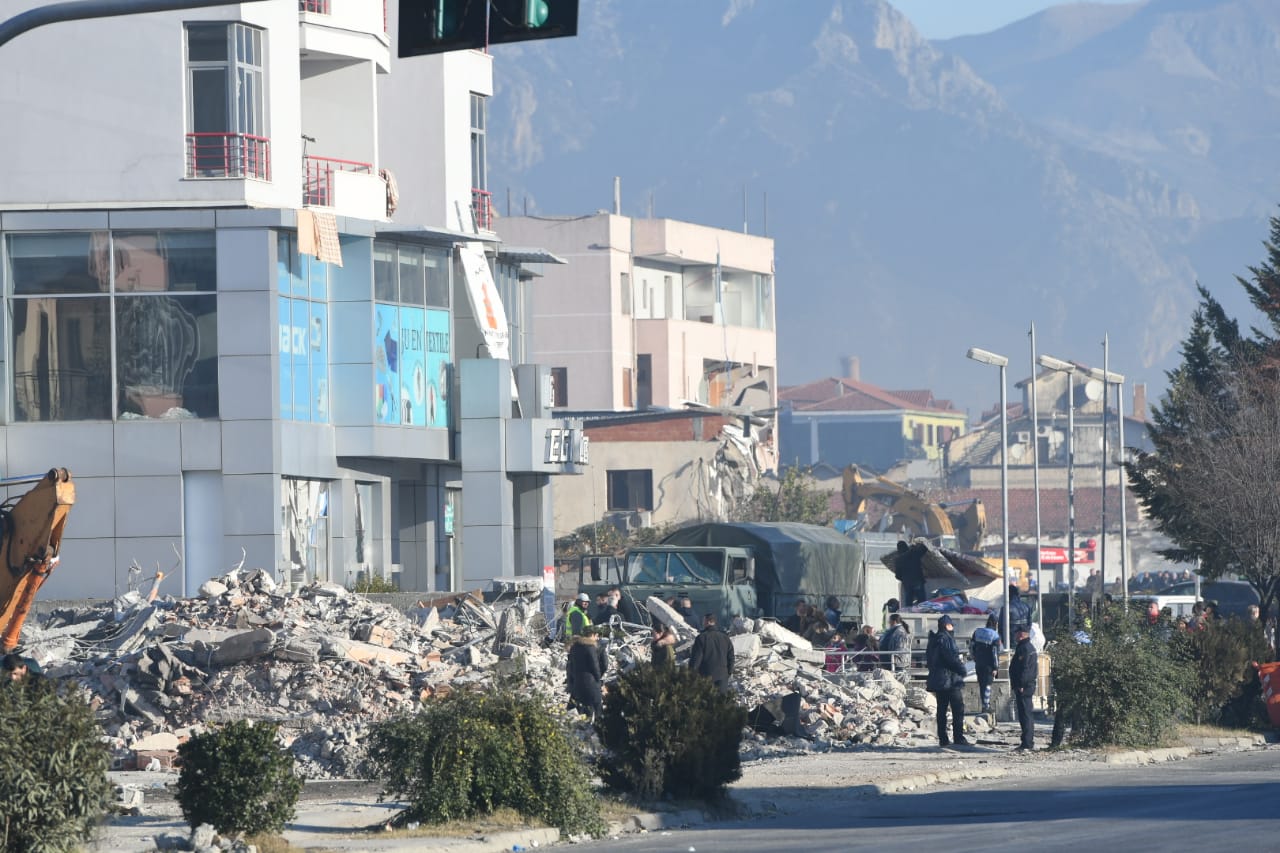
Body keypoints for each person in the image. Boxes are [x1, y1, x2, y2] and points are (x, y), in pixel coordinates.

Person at [925, 614, 969, 747]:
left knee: (942, 710)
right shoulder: (945, 639)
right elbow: (951, 658)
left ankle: (943, 739)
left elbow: (930, 660)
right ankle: (958, 737)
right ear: (947, 626)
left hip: (939, 679)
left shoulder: (933, 640)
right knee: (958, 708)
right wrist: (962, 669)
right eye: (951, 625)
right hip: (949, 679)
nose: (952, 627)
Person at [1009, 623, 1039, 751]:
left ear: (1021, 634)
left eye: (1016, 633)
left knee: (1026, 714)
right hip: (1024, 685)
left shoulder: (1025, 648)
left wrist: (1021, 684)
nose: (1015, 635)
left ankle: (1027, 742)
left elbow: (1025, 669)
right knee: (1024, 714)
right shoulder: (1025, 647)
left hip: (1025, 687)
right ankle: (1026, 741)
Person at [565, 628, 604, 720]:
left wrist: (571, 681)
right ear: (592, 635)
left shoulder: (574, 647)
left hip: (577, 682)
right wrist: (598, 679)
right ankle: (597, 724)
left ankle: (583, 723)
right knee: (596, 705)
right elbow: (594, 666)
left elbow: (570, 666)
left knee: (583, 706)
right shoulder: (590, 647)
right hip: (590, 681)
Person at [689, 612, 734, 690]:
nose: (702, 623)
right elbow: (731, 657)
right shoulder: (725, 638)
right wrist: (729, 672)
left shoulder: (701, 638)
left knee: (708, 697)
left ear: (708, 622)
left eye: (703, 621)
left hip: (706, 676)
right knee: (721, 697)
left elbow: (696, 659)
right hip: (722, 676)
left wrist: (691, 673)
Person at [970, 614, 1001, 714]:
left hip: (979, 663)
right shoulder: (995, 636)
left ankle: (984, 706)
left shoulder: (977, 632)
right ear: (996, 624)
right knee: (987, 685)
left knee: (982, 685)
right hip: (989, 665)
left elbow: (971, 646)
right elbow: (995, 652)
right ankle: (986, 706)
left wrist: (974, 657)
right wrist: (996, 667)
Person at [893, 540, 928, 607]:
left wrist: (904, 579)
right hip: (918, 581)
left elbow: (897, 575)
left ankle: (909, 612)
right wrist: (916, 545)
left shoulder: (898, 560)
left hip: (907, 584)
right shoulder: (913, 553)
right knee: (922, 603)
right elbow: (924, 549)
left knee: (909, 603)